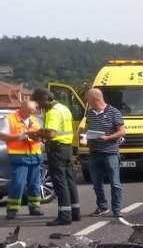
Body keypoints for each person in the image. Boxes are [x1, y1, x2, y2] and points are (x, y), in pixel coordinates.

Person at [32, 88, 80, 226]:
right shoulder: (63, 108)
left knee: (60, 182)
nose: (38, 106)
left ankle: (64, 216)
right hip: (67, 148)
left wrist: (37, 133)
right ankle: (75, 212)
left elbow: (51, 133)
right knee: (70, 180)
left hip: (57, 149)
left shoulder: (53, 112)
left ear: (44, 99)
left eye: (38, 102)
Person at [0, 95, 44, 220]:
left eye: (33, 112)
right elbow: (2, 135)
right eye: (30, 112)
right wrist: (19, 136)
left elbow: (40, 137)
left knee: (35, 183)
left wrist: (39, 137)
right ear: (22, 109)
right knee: (18, 183)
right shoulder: (10, 119)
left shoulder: (34, 120)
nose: (32, 114)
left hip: (35, 155)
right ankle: (12, 209)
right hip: (19, 156)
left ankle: (35, 206)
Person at [83, 88, 125, 217]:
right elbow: (86, 128)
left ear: (95, 99)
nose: (87, 102)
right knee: (96, 183)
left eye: (88, 100)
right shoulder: (89, 114)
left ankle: (117, 209)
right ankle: (102, 206)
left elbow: (122, 131)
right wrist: (85, 136)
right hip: (94, 152)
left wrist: (107, 137)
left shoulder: (114, 112)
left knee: (115, 183)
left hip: (110, 152)